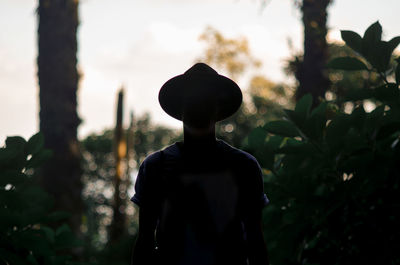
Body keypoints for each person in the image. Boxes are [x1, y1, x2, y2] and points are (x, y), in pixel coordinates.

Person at [130, 63, 269, 265]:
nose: (199, 105)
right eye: (193, 99)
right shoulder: (155, 166)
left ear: (218, 107)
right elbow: (144, 240)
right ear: (180, 107)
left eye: (205, 99)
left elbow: (255, 241)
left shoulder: (244, 166)